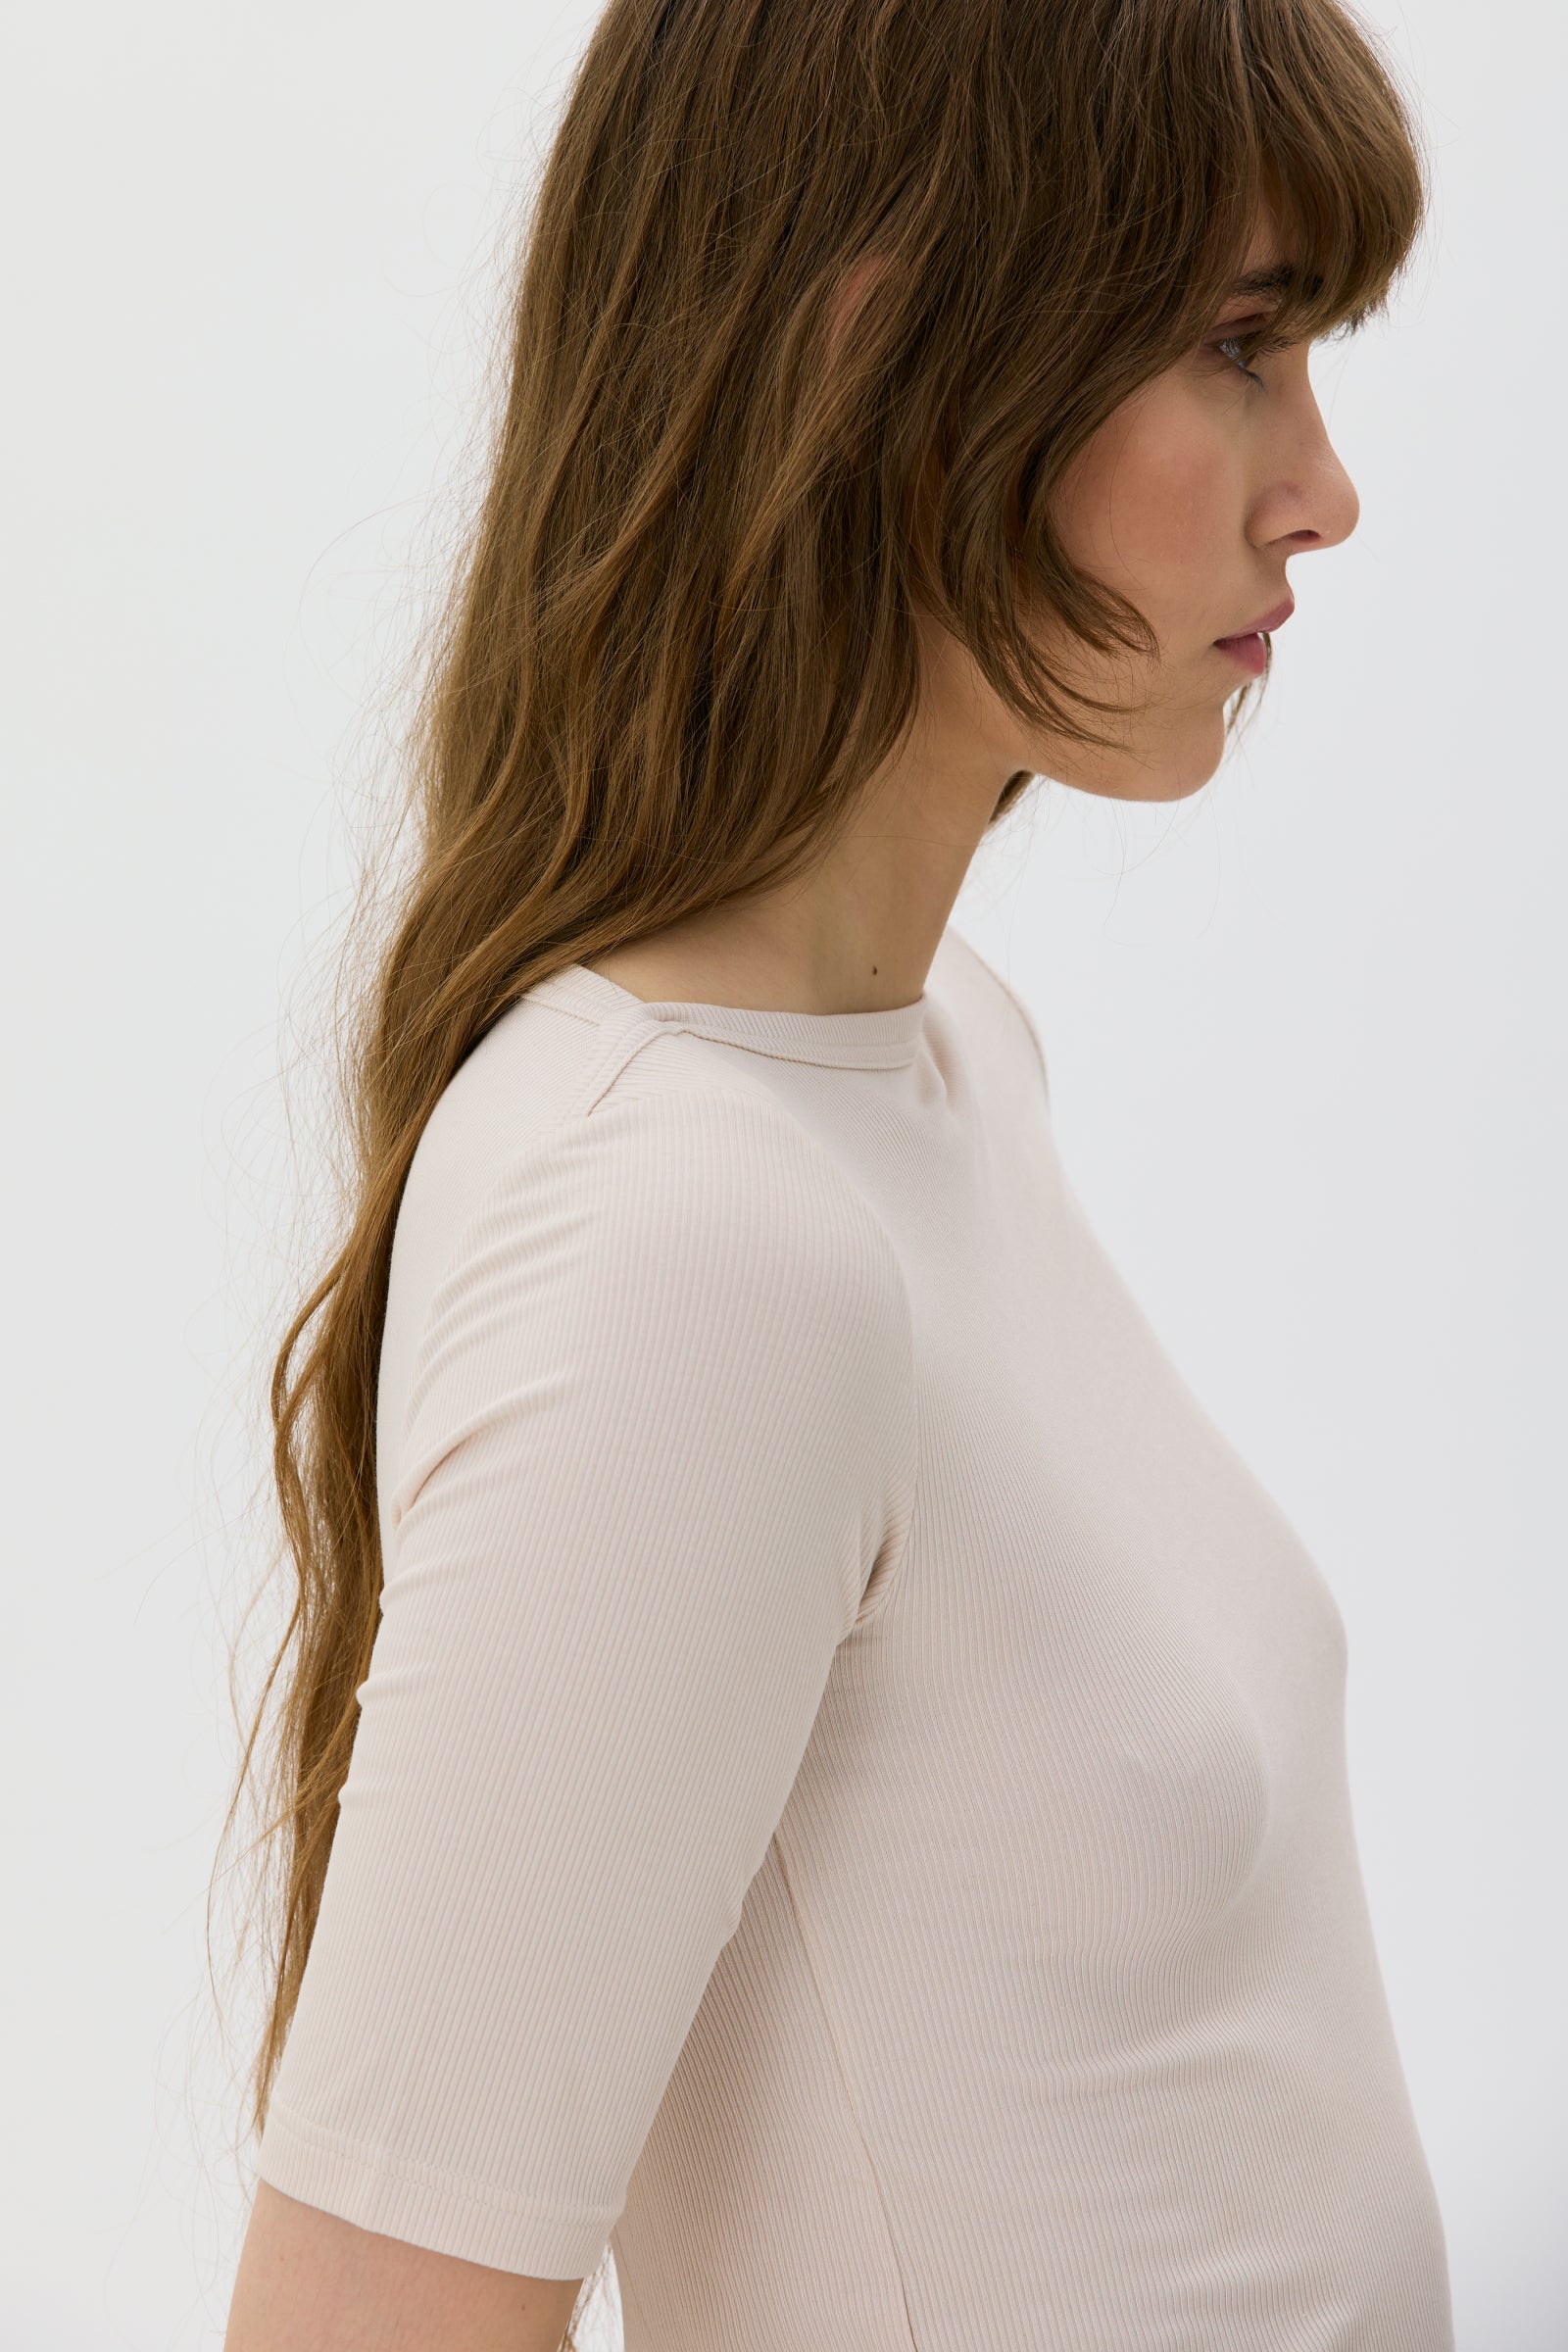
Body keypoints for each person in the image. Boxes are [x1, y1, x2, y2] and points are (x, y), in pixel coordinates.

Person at [220, 0, 1452, 2346]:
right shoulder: (683, 1234)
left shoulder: (935, 1066)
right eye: (1233, 346)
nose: (1320, 487)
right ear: (884, 340)